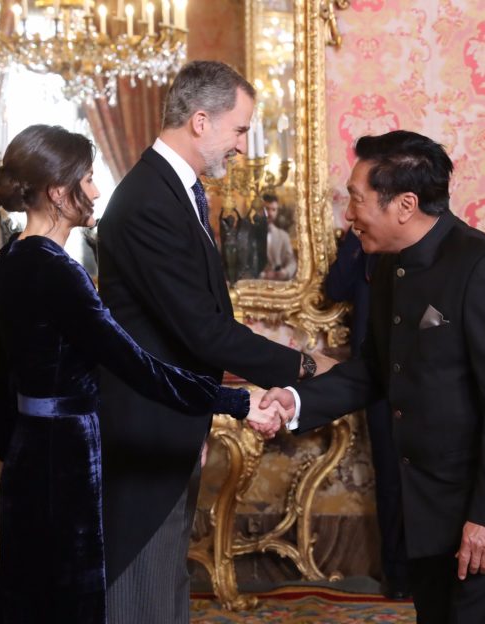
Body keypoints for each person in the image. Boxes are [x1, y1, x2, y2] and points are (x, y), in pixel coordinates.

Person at [0, 125, 282, 623]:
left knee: (32, 595)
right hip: (66, 457)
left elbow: (3, 379)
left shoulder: (12, 257)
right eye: (87, 178)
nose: (97, 189)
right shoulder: (59, 271)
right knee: (70, 600)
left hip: (28, 456)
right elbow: (137, 366)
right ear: (58, 192)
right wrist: (236, 401)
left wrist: (14, 452)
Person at [263, 130, 485, 623]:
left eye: (357, 199)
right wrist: (298, 401)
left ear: (404, 205)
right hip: (427, 508)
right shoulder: (389, 267)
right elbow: (375, 370)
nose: (349, 214)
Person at [96, 60, 334, 624]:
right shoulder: (149, 200)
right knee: (142, 588)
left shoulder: (174, 191)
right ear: (201, 121)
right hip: (147, 426)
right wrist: (304, 365)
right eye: (240, 129)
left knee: (164, 581)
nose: (243, 146)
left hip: (170, 419)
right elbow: (202, 330)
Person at [324, 228, 409, 599]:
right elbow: (336, 289)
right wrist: (356, 240)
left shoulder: (420, 241)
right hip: (377, 378)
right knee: (389, 476)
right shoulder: (363, 240)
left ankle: (429, 572)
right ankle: (397, 574)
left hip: (424, 378)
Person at [260, 192, 296, 280]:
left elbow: (292, 262)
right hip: (256, 283)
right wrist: (263, 275)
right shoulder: (250, 233)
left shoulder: (283, 236)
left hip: (279, 283)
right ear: (260, 210)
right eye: (267, 209)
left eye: (274, 210)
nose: (270, 213)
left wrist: (286, 272)